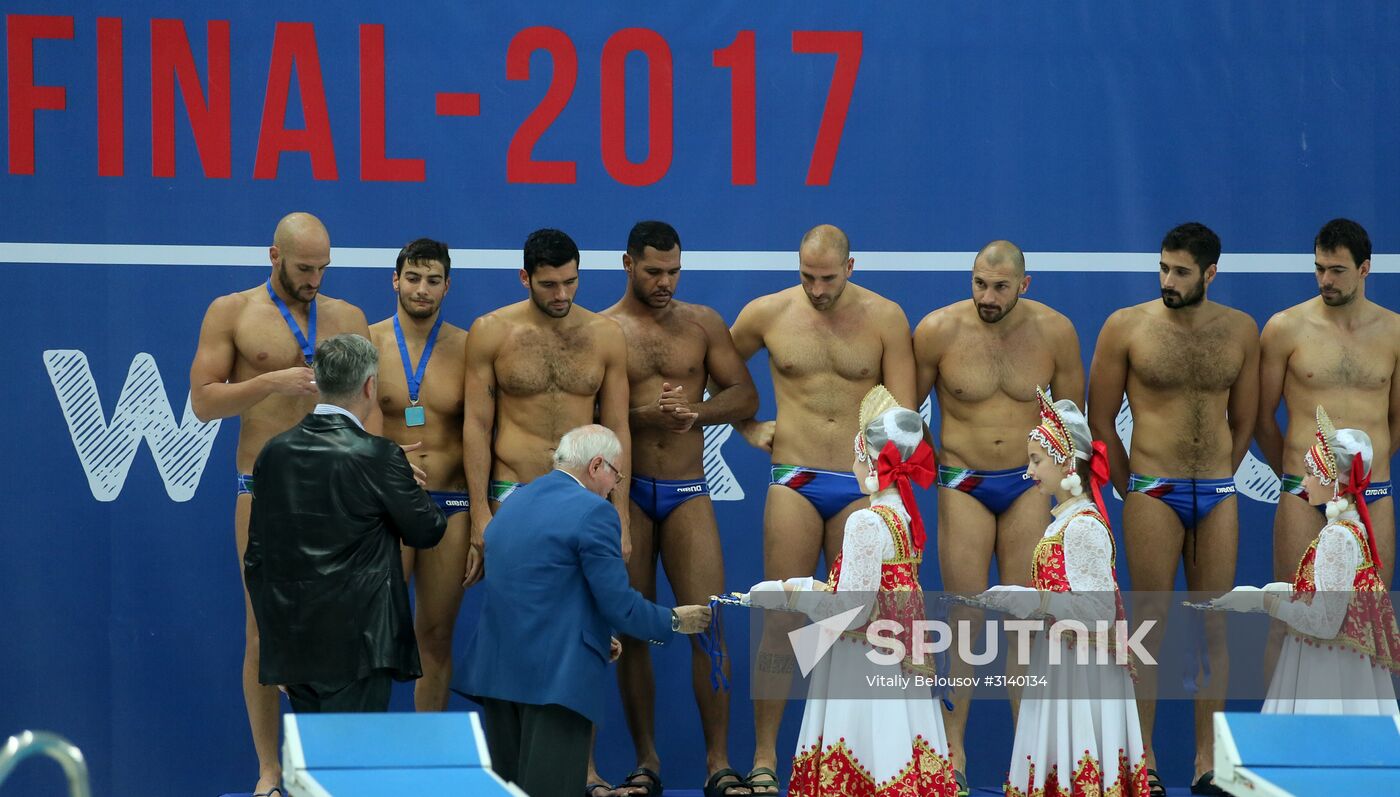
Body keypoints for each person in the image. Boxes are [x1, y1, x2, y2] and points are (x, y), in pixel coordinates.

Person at [188, 212, 375, 797]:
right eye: (303, 268)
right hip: (264, 489)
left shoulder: (347, 318)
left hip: (337, 494)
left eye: (323, 267)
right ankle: (270, 771)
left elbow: (370, 409)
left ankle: (331, 765)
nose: (315, 278)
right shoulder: (232, 312)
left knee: (344, 634)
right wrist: (273, 383)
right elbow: (203, 402)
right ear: (274, 255)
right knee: (264, 633)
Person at [728, 224, 916, 795]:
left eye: (828, 278)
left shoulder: (886, 318)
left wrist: (885, 485)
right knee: (781, 619)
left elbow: (905, 418)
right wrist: (745, 425)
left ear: (851, 266)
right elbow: (719, 375)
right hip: (796, 475)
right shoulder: (766, 313)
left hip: (862, 488)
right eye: (807, 276)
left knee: (852, 625)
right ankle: (764, 756)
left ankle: (846, 758)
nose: (816, 288)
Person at [1088, 221, 1259, 797]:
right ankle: (1146, 760)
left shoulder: (1240, 330)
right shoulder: (1126, 327)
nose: (1167, 280)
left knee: (1215, 629)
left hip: (1215, 494)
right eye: (1163, 268)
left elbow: (1246, 418)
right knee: (1149, 630)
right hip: (1152, 492)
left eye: (1181, 272)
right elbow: (1101, 415)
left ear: (1210, 273)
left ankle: (1208, 763)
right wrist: (1128, 482)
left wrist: (1220, 474)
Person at [452, 425, 714, 797]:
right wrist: (673, 621)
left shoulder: (513, 505)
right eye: (616, 474)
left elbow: (536, 590)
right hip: (556, 679)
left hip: (497, 676)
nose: (615, 485)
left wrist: (592, 632)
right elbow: (619, 605)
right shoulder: (594, 512)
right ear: (596, 466)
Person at [913, 240, 1084, 789]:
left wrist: (1065, 493)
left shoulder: (1055, 332)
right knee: (964, 621)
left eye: (1000, 287)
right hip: (962, 482)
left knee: (1026, 624)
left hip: (1027, 485)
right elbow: (901, 415)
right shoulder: (938, 330)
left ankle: (1029, 761)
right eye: (979, 284)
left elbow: (1073, 426)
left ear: (1024, 285)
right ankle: (953, 758)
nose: (987, 297)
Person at [599, 221, 759, 797]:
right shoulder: (605, 330)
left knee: (708, 624)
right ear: (627, 264)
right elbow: (592, 415)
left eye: (673, 271)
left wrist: (696, 411)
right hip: (630, 488)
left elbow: (745, 395)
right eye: (653, 272)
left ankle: (720, 763)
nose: (664, 282)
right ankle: (647, 764)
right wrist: (642, 417)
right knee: (634, 628)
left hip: (688, 489)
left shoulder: (703, 324)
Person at [747, 385, 955, 797]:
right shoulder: (905, 517)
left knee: (862, 748)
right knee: (898, 746)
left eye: (856, 456)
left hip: (861, 658)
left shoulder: (866, 521)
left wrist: (790, 592)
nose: (852, 465)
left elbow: (852, 610)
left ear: (869, 458)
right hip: (902, 655)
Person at [244, 333, 447, 715]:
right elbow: (427, 529)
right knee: (352, 769)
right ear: (370, 386)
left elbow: (256, 560)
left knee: (315, 768)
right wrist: (401, 478)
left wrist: (279, 647)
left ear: (318, 382)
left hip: (296, 644)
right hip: (361, 647)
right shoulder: (380, 456)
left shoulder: (274, 452)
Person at [979, 387, 1149, 797]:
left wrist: (1036, 601)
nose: (1030, 471)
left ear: (1067, 462)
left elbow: (1100, 612)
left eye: (1036, 460)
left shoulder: (1084, 525)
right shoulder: (1065, 521)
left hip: (1084, 666)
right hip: (1064, 658)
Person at [462, 229, 632, 582]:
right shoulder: (491, 331)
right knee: (519, 613)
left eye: (570, 282)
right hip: (515, 488)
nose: (561, 294)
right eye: (549, 284)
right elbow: (477, 426)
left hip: (582, 493)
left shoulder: (606, 335)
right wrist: (479, 514)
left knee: (580, 613)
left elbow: (617, 429)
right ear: (525, 278)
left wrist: (622, 515)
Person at [1216, 405, 1400, 716]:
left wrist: (1265, 603)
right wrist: (1280, 589)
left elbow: (1324, 624)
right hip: (1345, 666)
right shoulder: (1352, 529)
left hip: (1325, 670)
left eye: (1312, 474)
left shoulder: (1336, 538)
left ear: (1335, 481)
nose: (1303, 483)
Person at [1256, 219, 1399, 588]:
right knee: (1289, 615)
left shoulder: (1395, 332)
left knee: (1369, 619)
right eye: (1319, 268)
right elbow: (1262, 417)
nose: (1325, 281)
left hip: (1372, 493)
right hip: (1303, 493)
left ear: (1365, 268)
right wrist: (1295, 476)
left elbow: (1397, 417)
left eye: (1337, 270)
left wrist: (1367, 470)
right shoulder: (1284, 328)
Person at [368, 238, 470, 711]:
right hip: (387, 506)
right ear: (395, 279)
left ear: (448, 286)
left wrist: (484, 519)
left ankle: (425, 763)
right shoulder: (367, 342)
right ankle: (367, 762)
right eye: (412, 278)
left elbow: (483, 435)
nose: (421, 289)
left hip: (450, 504)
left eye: (433, 281)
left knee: (436, 636)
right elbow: (345, 427)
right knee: (376, 635)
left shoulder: (470, 348)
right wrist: (385, 462)